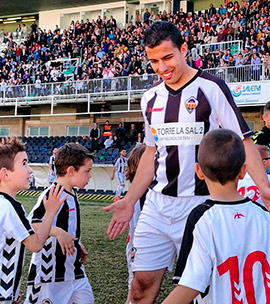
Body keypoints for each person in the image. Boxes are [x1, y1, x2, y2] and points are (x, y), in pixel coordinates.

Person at [104, 21, 270, 304]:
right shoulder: (150, 98)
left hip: (200, 206)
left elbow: (244, 141)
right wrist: (131, 199)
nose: (161, 67)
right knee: (140, 286)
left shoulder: (211, 88)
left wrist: (265, 189)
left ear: (184, 49)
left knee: (199, 292)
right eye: (154, 61)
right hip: (157, 205)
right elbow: (150, 153)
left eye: (167, 57)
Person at [163, 129, 270, 304]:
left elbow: (191, 283)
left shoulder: (201, 218)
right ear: (243, 171)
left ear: (198, 171)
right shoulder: (264, 215)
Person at [25, 143, 94, 304]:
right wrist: (57, 232)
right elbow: (31, 224)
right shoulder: (52, 193)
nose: (90, 176)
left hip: (74, 270)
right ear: (71, 171)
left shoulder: (72, 193)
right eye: (87, 171)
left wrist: (77, 243)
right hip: (49, 274)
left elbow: (68, 225)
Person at [0, 138, 66, 303]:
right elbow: (35, 245)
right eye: (24, 164)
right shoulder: (10, 208)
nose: (30, 170)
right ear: (5, 174)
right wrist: (50, 212)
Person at [125, 145, 146, 304]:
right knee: (136, 284)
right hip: (137, 245)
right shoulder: (136, 193)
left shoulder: (154, 192)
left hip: (141, 244)